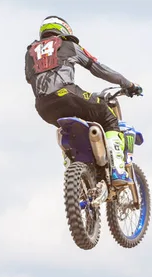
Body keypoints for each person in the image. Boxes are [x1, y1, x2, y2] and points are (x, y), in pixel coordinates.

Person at [24, 15, 142, 186]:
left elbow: (30, 79)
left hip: (43, 107)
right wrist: (128, 84)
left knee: (69, 130)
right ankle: (118, 170)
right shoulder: (69, 45)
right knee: (107, 116)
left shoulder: (30, 53)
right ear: (63, 30)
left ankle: (77, 173)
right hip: (67, 94)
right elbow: (98, 68)